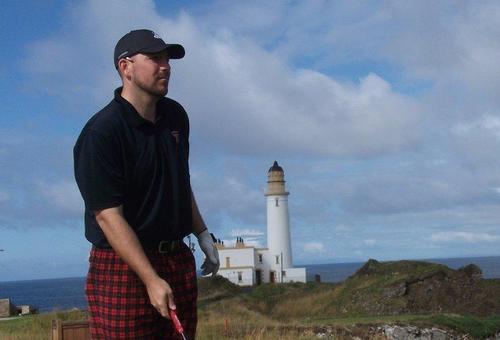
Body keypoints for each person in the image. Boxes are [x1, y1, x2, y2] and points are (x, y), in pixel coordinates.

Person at [73, 29, 219, 339]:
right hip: (122, 266)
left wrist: (202, 232)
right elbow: (107, 216)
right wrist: (150, 278)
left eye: (167, 59)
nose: (165, 65)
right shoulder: (102, 133)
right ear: (125, 67)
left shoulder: (176, 116)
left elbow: (180, 181)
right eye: (154, 58)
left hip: (176, 257)